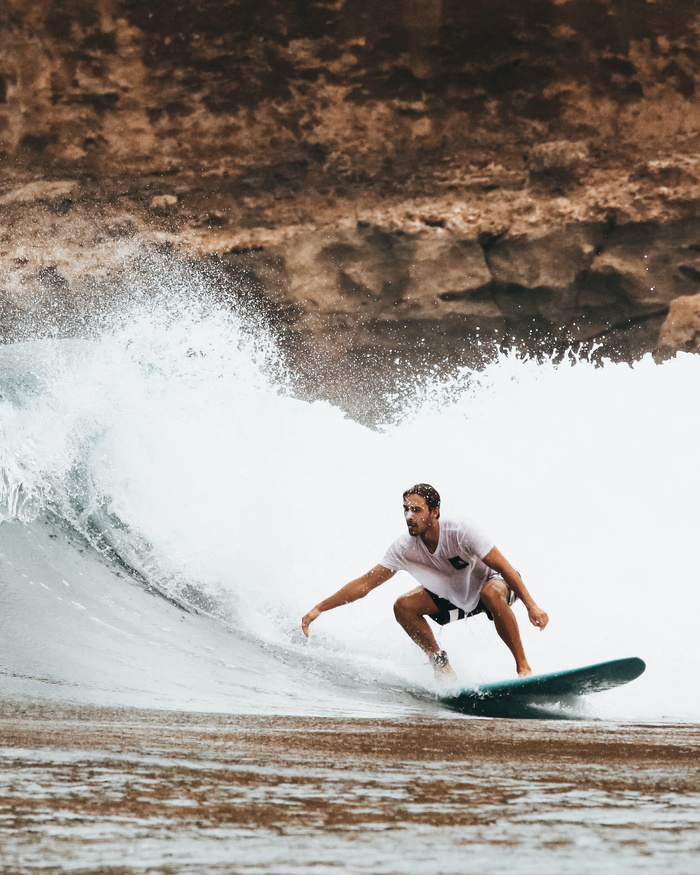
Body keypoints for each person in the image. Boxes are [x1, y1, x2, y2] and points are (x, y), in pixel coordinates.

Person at [301, 483, 549, 680]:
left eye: (416, 510)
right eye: (406, 510)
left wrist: (531, 605)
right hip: (458, 599)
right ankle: (441, 666)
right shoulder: (404, 547)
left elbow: (505, 568)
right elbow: (365, 584)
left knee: (491, 593)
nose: (409, 516)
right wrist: (319, 608)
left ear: (435, 512)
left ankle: (523, 668)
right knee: (403, 606)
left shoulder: (461, 530)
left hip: (496, 584)